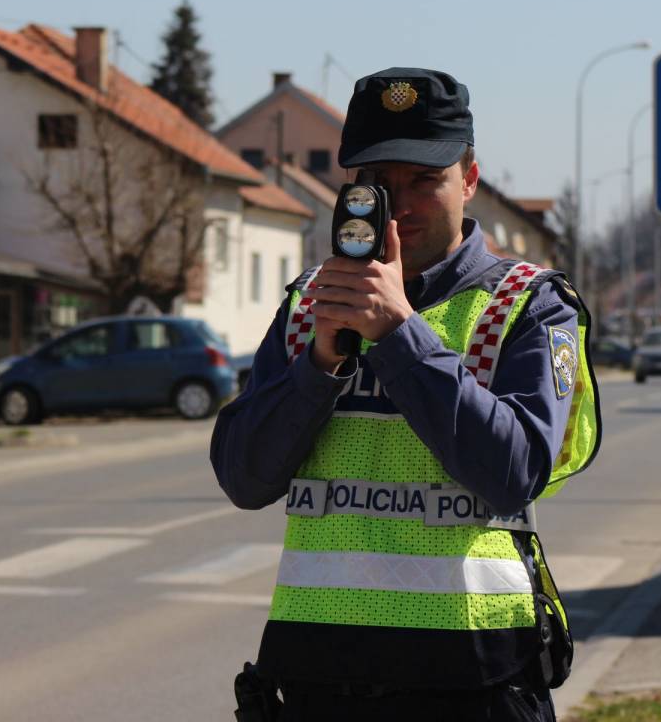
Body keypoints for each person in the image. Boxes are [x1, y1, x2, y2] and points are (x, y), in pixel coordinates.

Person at [211, 67, 600, 721]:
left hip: (474, 682)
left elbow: (512, 473)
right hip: (319, 681)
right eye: (380, 184)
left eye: (425, 180)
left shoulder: (528, 305)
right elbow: (244, 478)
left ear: (469, 178)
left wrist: (398, 333)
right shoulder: (311, 306)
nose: (403, 205)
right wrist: (320, 364)